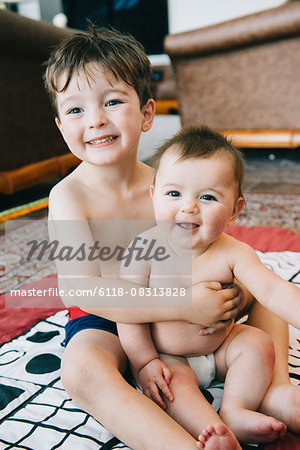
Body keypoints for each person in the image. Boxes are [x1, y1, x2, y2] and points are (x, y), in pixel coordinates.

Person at [44, 24, 299, 449]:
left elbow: (212, 241)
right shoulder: (68, 196)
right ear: (59, 125)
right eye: (75, 110)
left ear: (146, 114)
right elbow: (82, 290)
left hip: (180, 309)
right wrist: (186, 305)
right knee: (81, 370)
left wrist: (221, 292)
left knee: (261, 282)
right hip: (106, 318)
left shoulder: (168, 185)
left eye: (112, 101)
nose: (96, 120)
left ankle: (273, 391)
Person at [117, 125, 300, 446]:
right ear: (153, 194)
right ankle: (213, 431)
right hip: (169, 355)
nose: (189, 207)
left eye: (207, 197)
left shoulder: (234, 252)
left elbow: (272, 290)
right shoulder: (142, 249)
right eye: (174, 193)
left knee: (257, 343)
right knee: (173, 389)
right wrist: (144, 362)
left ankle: (235, 410)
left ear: (234, 210)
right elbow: (127, 309)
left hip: (221, 347)